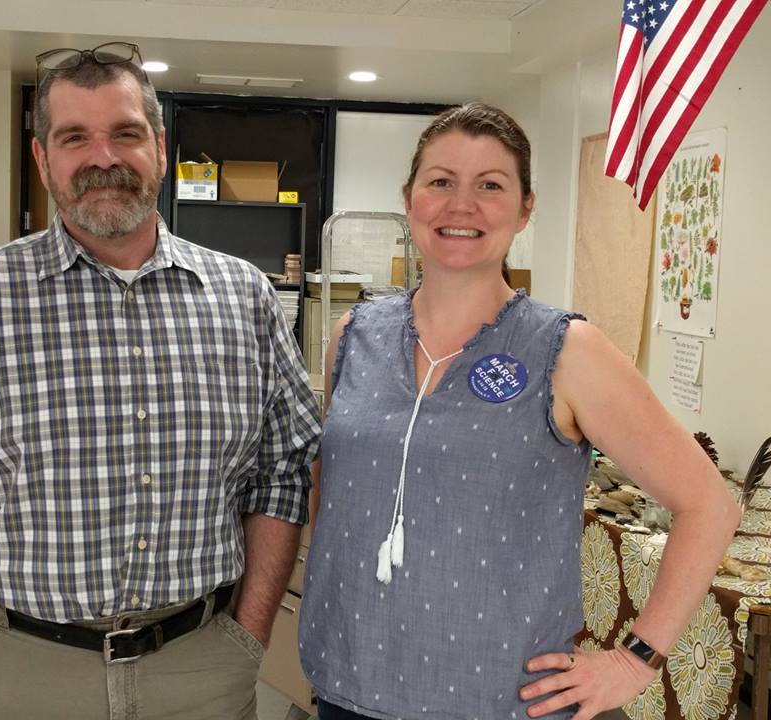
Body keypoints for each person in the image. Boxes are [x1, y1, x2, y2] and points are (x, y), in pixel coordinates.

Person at [0, 42, 320, 720]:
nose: (104, 158)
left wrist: (247, 636)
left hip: (201, 671)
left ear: (159, 146)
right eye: (75, 137)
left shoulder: (242, 297)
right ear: (44, 159)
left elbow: (282, 471)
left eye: (125, 133)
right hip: (16, 675)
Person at [298, 103, 740, 720]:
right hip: (349, 688)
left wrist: (635, 659)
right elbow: (334, 491)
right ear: (410, 197)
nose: (461, 205)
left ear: (526, 207)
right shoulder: (354, 336)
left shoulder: (566, 350)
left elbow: (710, 504)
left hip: (498, 699)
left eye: (490, 186)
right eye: (441, 181)